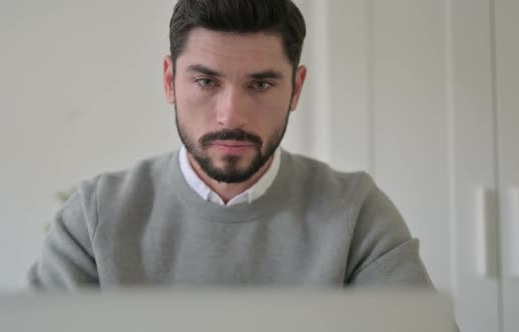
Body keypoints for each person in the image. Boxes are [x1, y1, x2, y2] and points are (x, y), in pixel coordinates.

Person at [28, 0, 433, 289]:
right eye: (206, 82)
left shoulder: (356, 213)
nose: (231, 115)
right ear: (170, 81)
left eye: (260, 84)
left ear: (296, 88)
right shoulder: (94, 217)